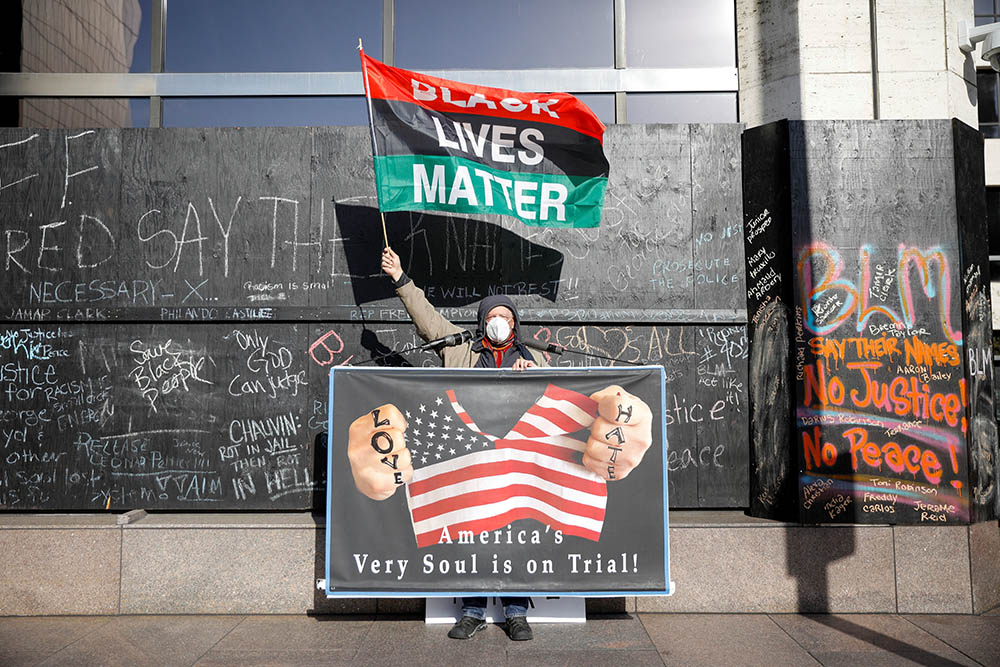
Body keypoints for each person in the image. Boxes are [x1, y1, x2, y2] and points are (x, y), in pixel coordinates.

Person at [380, 246, 540, 641]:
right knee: (472, 535)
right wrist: (401, 278)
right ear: (482, 322)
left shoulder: (532, 356)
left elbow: (556, 399)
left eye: (505, 316)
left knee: (514, 536)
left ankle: (516, 612)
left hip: (516, 468)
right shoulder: (460, 349)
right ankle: (471, 609)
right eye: (492, 316)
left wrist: (535, 373)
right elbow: (428, 321)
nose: (498, 322)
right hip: (470, 462)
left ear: (515, 324)